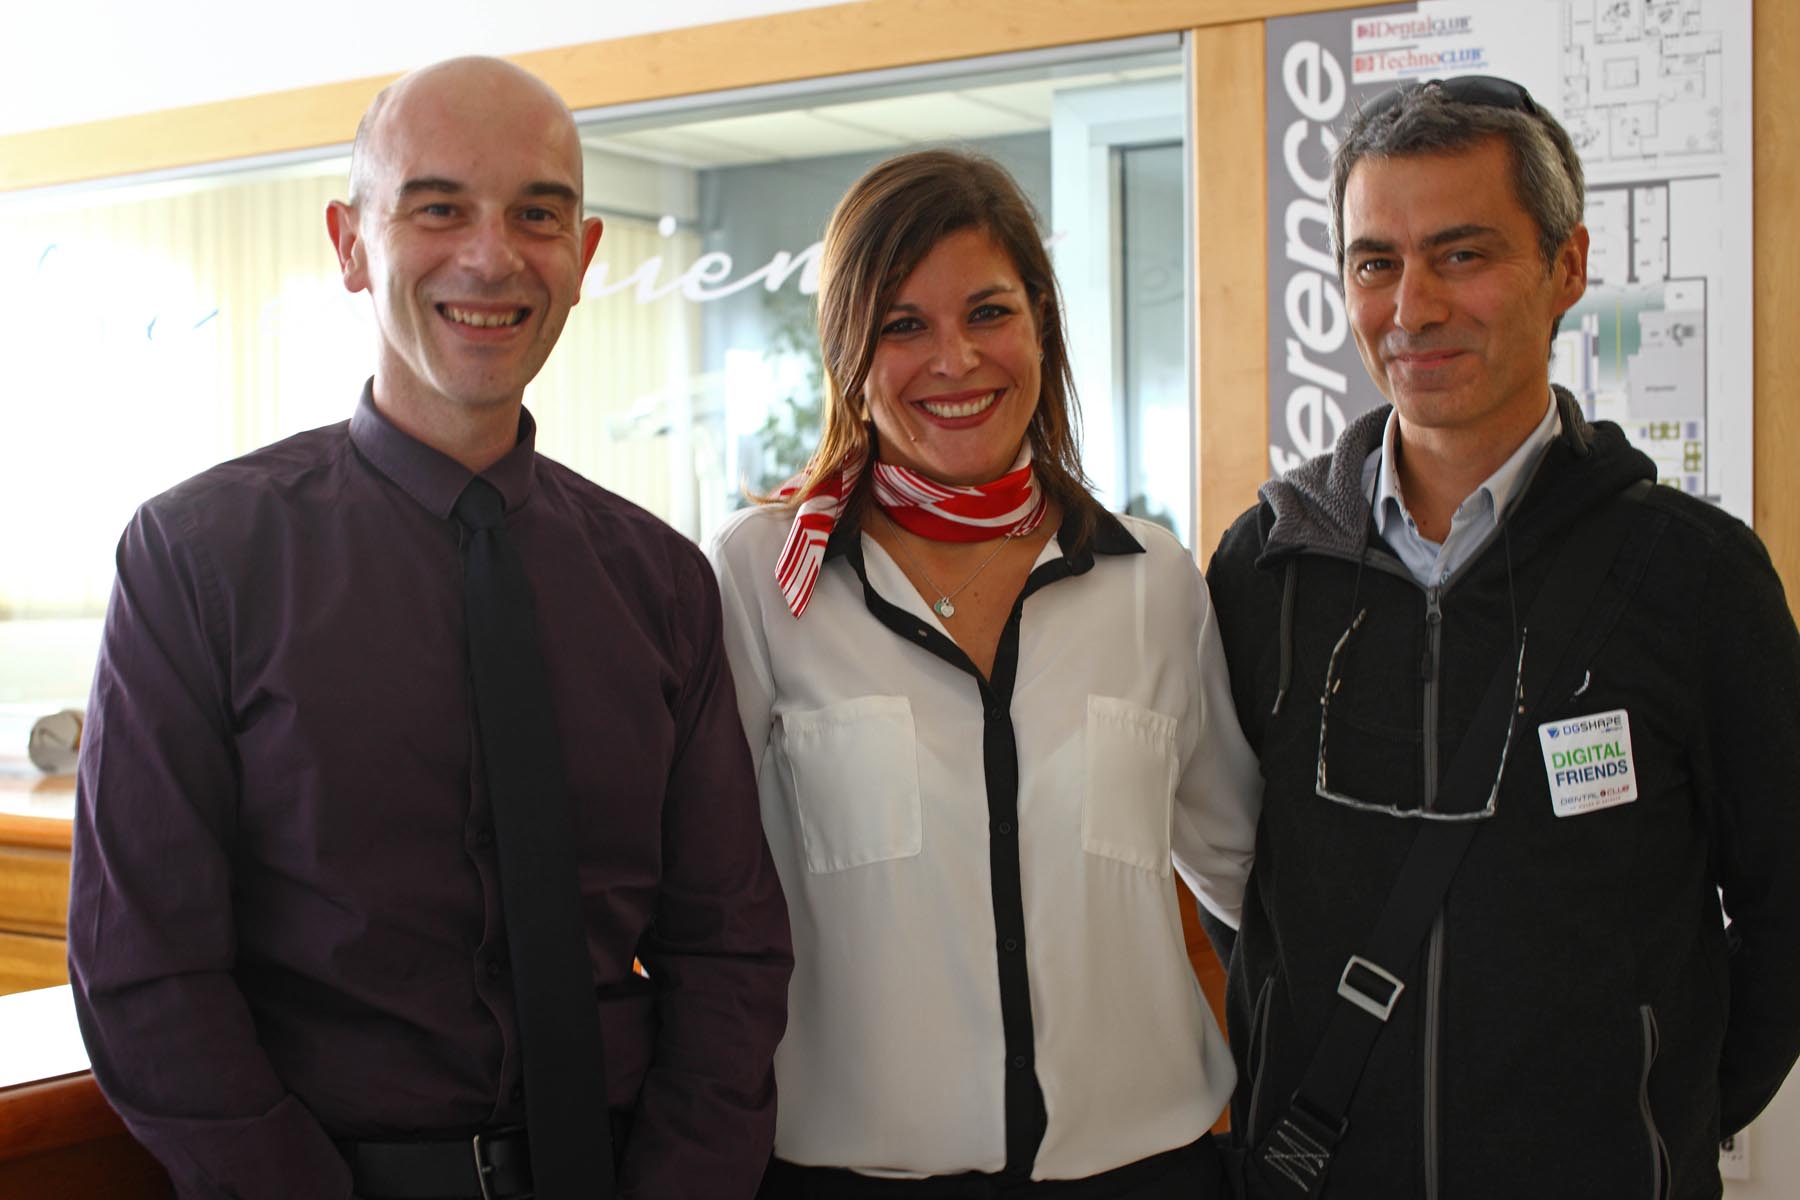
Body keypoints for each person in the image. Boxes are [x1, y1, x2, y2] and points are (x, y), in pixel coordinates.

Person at [68, 56, 792, 1200]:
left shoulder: (660, 581)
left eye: (537, 215)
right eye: (438, 208)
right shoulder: (197, 560)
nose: (492, 256)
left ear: (584, 256)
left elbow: (729, 948)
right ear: (350, 244)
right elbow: (144, 969)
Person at [1206, 75, 1800, 1198]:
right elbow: (1232, 875)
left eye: (1463, 255)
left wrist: (1654, 1121)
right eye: (1375, 262)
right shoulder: (1266, 570)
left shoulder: (1693, 579)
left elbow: (1786, 908)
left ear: (1566, 268)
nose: (1412, 307)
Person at [707, 149, 1260, 1198]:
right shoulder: (763, 578)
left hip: (1146, 1169)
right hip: (854, 1175)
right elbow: (693, 896)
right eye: (903, 325)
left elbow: (1243, 878)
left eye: (989, 313)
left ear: (1040, 324)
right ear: (849, 353)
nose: (955, 360)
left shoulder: (1152, 581)